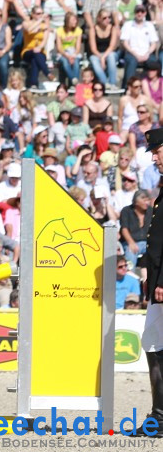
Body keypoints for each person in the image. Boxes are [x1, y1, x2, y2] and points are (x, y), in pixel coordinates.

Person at [138, 126, 163, 425]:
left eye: (157, 151)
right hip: (156, 281)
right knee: (153, 343)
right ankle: (159, 415)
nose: (155, 159)